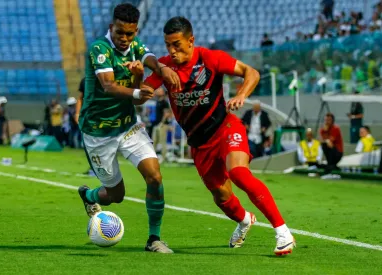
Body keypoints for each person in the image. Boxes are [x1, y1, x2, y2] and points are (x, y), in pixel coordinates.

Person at [144, 16, 295, 255]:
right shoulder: (165, 67)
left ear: (191, 41)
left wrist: (241, 95)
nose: (171, 51)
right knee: (220, 195)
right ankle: (245, 220)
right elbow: (145, 90)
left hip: (225, 127)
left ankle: (283, 232)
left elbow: (251, 73)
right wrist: (138, 80)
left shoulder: (210, 58)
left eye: (177, 44)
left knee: (238, 173)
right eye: (168, 45)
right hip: (199, 143)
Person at [77, 3, 180, 254]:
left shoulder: (135, 45)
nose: (125, 39)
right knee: (116, 195)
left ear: (135, 31)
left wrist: (162, 69)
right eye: (120, 33)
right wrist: (139, 88)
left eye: (130, 33)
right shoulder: (99, 49)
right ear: (111, 27)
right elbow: (109, 86)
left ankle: (154, 238)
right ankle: (89, 196)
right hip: (98, 132)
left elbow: (148, 57)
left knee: (154, 176)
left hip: (128, 126)